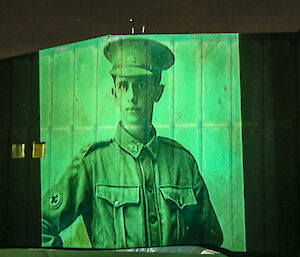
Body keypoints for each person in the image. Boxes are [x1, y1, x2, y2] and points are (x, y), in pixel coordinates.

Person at [42, 37, 223, 249]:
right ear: (114, 94)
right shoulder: (93, 163)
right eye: (123, 85)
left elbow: (211, 242)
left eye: (141, 85)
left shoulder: (182, 163)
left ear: (158, 92)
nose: (132, 96)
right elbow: (42, 225)